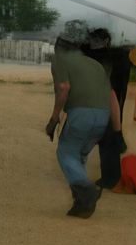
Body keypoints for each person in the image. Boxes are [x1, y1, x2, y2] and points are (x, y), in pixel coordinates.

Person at [46, 26, 118, 218]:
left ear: (60, 47)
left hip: (80, 114)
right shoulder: (95, 64)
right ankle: (82, 204)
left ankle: (87, 190)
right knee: (79, 155)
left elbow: (63, 88)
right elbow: (111, 94)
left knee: (66, 152)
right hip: (102, 115)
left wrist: (54, 119)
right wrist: (116, 129)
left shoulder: (60, 59)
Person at [87, 25, 134, 190]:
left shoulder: (112, 58)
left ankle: (111, 178)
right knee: (106, 138)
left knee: (107, 139)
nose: (93, 43)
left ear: (105, 41)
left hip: (107, 102)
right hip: (103, 102)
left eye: (96, 40)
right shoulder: (111, 56)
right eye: (91, 39)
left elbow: (113, 91)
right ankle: (111, 176)